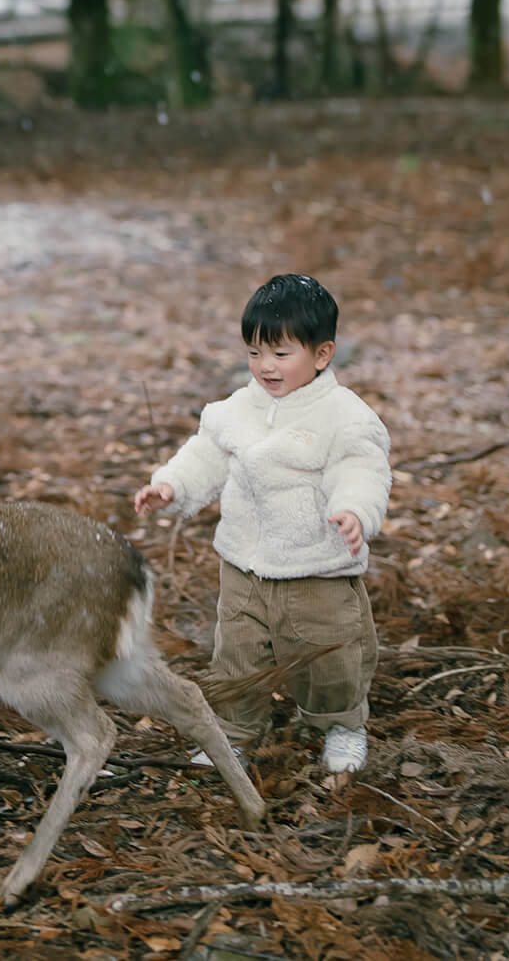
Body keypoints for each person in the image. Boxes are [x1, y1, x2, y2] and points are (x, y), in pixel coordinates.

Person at [133, 272, 390, 773]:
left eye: (280, 354)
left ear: (321, 354)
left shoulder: (344, 416)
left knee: (330, 654)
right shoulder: (238, 408)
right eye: (254, 353)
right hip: (245, 563)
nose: (265, 367)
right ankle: (233, 730)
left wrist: (354, 510)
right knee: (237, 656)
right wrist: (172, 485)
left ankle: (340, 724)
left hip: (316, 566)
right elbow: (205, 454)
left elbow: (362, 470)